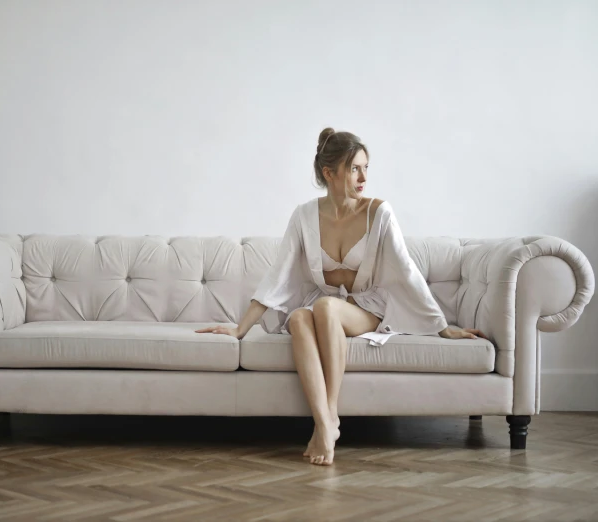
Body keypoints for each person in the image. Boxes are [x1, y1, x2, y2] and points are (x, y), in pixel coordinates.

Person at [196, 128, 486, 466]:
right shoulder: (304, 216)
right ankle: (325, 422)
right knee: (301, 316)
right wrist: (239, 329)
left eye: (366, 167)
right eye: (354, 169)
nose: (363, 177)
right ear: (328, 173)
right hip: (322, 305)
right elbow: (278, 274)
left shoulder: (378, 213)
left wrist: (441, 326)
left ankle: (329, 417)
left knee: (322, 308)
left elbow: (406, 271)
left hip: (366, 306)